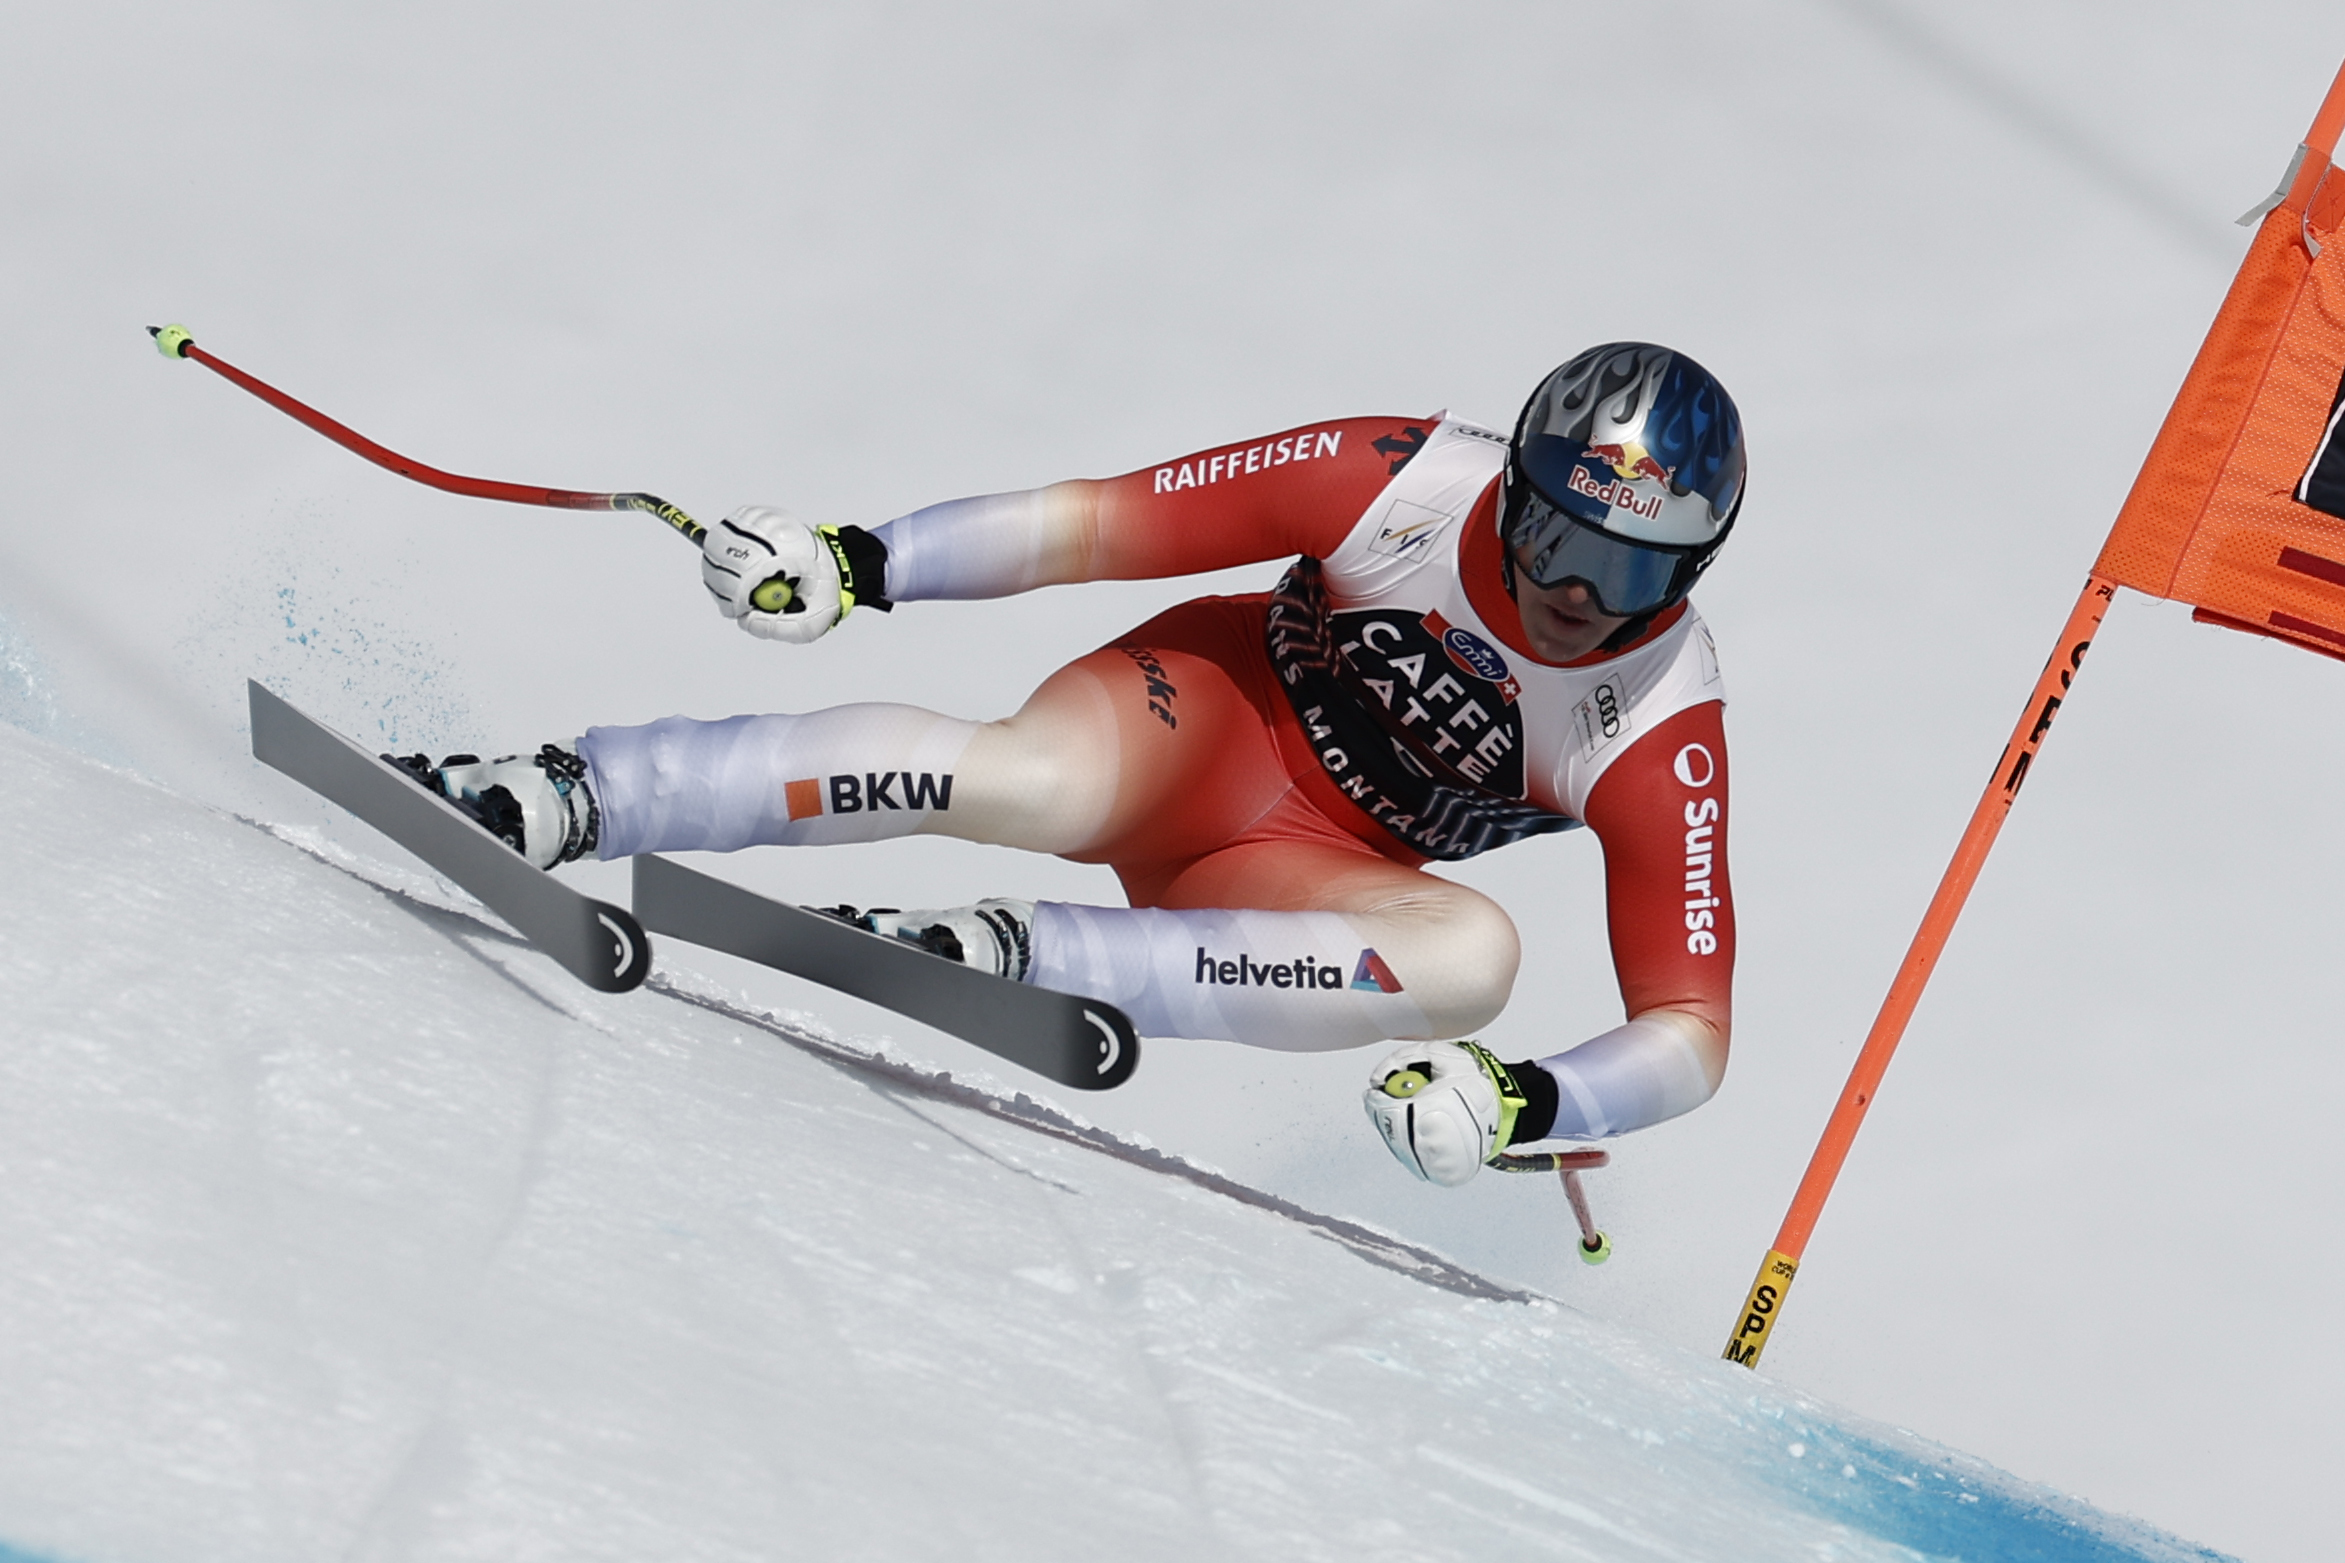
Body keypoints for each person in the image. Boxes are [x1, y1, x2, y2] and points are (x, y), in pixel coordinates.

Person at [415, 342, 1745, 1188]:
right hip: (1203, 720)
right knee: (1029, 783)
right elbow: (1106, 524)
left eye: (1632, 570)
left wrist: (1527, 1104)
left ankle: (1014, 958)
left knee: (1470, 967)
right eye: (1563, 540)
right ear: (1514, 488)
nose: (1579, 594)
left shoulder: (1656, 720)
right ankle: (572, 794)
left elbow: (1687, 1035)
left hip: (1301, 875)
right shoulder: (1392, 478)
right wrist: (864, 563)